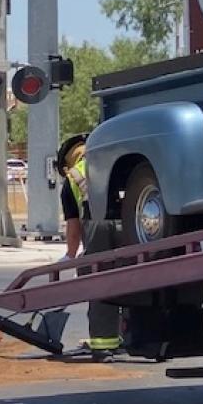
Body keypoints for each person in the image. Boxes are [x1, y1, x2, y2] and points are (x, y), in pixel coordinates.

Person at [56, 133, 123, 357]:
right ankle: (132, 335)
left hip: (98, 226)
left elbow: (73, 225)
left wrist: (70, 254)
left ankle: (104, 344)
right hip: (130, 222)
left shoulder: (73, 176)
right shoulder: (114, 157)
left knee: (100, 282)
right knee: (132, 277)